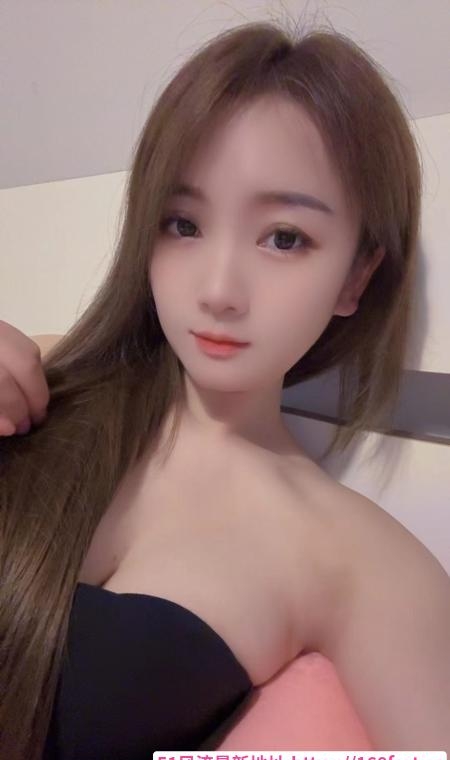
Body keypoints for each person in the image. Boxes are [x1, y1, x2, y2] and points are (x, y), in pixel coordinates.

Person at [1, 18, 449, 760]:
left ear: (356, 277)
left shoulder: (360, 561)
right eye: (183, 224)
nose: (217, 290)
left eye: (284, 238)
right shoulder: (44, 379)